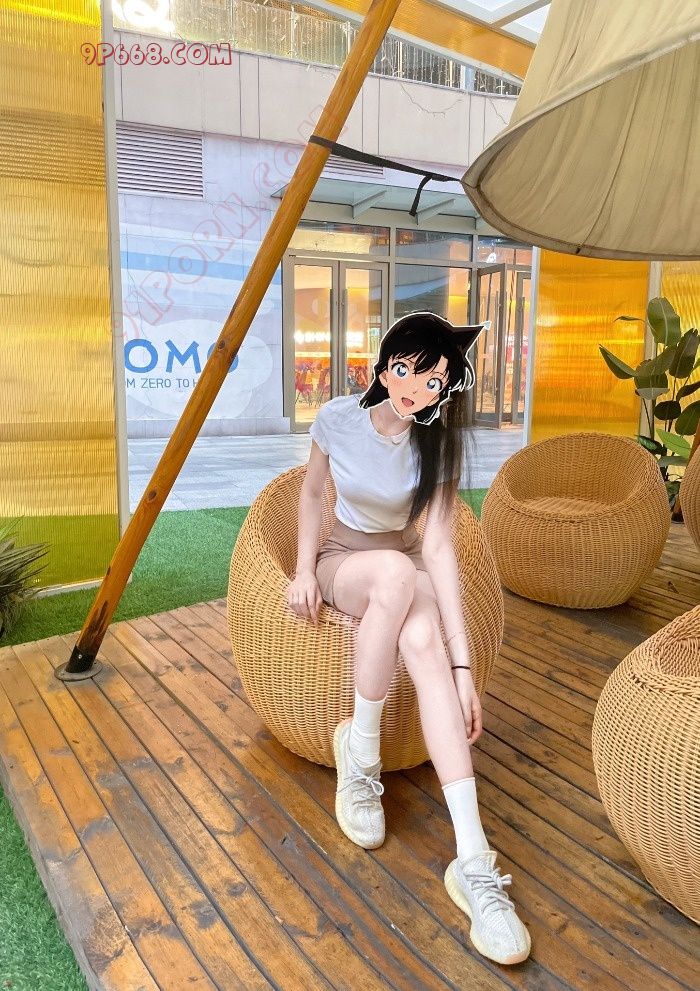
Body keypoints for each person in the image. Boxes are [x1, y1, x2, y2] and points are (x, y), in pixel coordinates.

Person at [286, 312, 531, 966]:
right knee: (395, 574)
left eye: (432, 381)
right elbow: (311, 493)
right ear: (384, 365)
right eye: (404, 370)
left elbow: (440, 549)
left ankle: (473, 861)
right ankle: (361, 757)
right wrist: (305, 569)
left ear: (444, 390)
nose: (414, 388)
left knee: (424, 643)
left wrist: (463, 667)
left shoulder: (435, 443)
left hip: (402, 565)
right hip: (346, 561)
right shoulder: (337, 418)